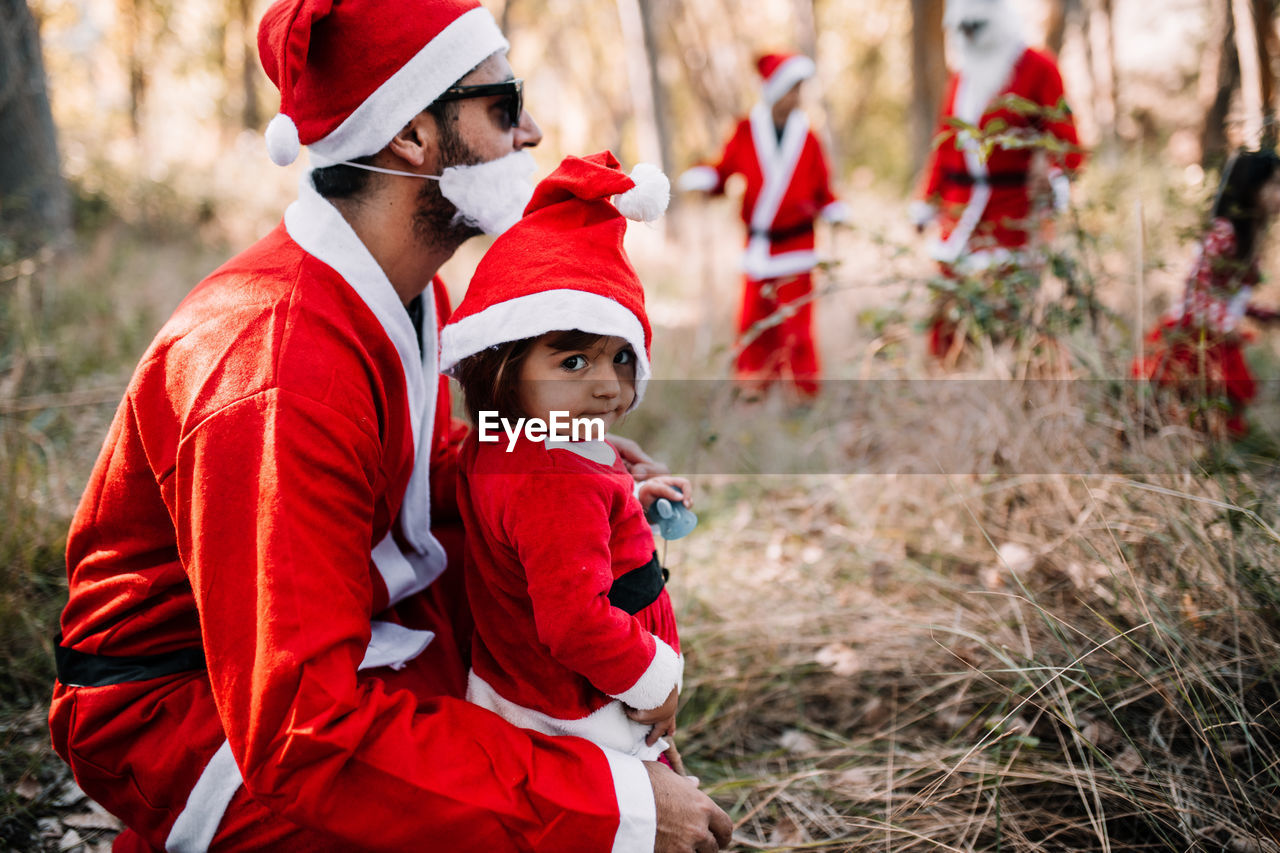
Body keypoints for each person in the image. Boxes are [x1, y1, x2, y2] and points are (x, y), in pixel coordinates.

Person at [47, 0, 732, 850]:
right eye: (503, 104)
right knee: (562, 798)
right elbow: (299, 731)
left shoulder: (410, 290)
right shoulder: (275, 366)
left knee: (573, 630)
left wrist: (539, 458)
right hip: (192, 712)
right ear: (412, 135)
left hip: (345, 631)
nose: (533, 131)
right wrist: (613, 809)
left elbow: (398, 472)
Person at [441, 151, 693, 768]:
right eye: (573, 362)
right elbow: (575, 622)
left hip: (524, 687)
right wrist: (653, 679)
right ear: (503, 364)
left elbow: (547, 543)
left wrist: (627, 502)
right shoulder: (552, 479)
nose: (608, 386)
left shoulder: (507, 436)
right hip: (587, 708)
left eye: (620, 357)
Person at [910, 0, 1084, 359]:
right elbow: (944, 146)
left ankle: (1009, 380)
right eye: (962, 30)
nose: (968, 37)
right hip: (959, 213)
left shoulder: (1037, 68)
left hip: (1012, 215)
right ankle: (949, 383)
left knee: (1008, 310)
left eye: (975, 27)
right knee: (949, 311)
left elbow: (1066, 142)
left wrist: (1053, 177)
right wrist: (927, 200)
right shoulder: (962, 75)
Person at [677, 52, 848, 399]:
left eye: (800, 90)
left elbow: (823, 188)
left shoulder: (809, 138)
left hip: (798, 247)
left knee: (797, 329)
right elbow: (722, 172)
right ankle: (754, 389)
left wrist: (834, 210)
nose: (797, 97)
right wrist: (705, 179)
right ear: (774, 91)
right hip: (757, 249)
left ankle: (802, 394)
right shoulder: (744, 131)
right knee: (754, 324)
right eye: (791, 89)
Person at [1132, 148, 1280, 436]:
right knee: (1181, 396)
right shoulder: (1224, 232)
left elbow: (1227, 291)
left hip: (1216, 332)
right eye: (1274, 184)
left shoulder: (1250, 234)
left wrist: (1260, 313)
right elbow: (1197, 285)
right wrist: (1221, 326)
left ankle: (1200, 457)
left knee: (1216, 406)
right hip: (1196, 332)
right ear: (1251, 186)